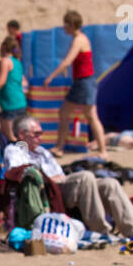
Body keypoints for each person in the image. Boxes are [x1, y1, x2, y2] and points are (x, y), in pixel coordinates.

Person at [6, 116, 133, 239]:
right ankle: (100, 230)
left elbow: (59, 173)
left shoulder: (42, 152)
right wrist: (48, 177)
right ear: (22, 134)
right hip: (47, 191)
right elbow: (18, 173)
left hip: (63, 184)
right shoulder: (14, 150)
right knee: (85, 177)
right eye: (36, 134)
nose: (40, 137)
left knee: (110, 183)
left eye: (41, 133)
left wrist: (58, 177)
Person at [43, 10, 107, 159]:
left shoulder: (79, 39)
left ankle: (103, 150)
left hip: (85, 82)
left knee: (91, 116)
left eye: (65, 24)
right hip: (81, 82)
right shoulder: (78, 38)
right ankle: (59, 147)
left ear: (71, 25)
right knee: (65, 113)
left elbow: (67, 61)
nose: (64, 27)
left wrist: (51, 77)